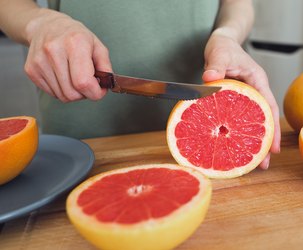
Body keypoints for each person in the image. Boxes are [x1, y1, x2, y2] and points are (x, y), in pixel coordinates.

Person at [0, 0, 280, 169]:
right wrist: (39, 23)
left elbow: (238, 3)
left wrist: (227, 35)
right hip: (81, 137)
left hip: (204, 121)